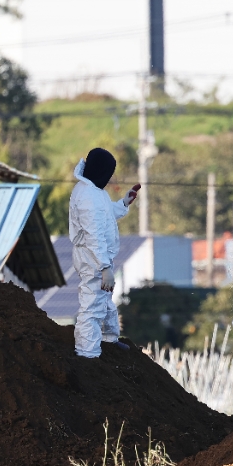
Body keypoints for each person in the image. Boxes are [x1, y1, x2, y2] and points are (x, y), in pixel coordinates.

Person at [69, 148, 141, 358]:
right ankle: (87, 353)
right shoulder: (87, 197)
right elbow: (94, 236)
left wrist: (123, 203)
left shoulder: (93, 192)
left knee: (104, 299)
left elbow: (106, 214)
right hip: (92, 257)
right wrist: (104, 267)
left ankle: (109, 340)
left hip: (98, 258)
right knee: (91, 306)